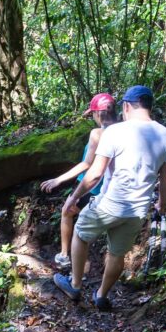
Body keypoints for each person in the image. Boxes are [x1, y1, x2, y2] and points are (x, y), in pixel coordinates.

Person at [53, 85, 166, 311]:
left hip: (109, 204)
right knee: (117, 252)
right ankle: (101, 295)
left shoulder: (115, 132)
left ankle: (75, 285)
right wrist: (162, 204)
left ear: (127, 106)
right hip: (138, 210)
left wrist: (73, 198)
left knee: (80, 234)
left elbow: (95, 174)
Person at [40, 93, 118, 269]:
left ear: (98, 114)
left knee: (67, 212)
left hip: (91, 186)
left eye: (92, 114)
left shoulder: (98, 133)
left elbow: (86, 164)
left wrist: (58, 180)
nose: (93, 118)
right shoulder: (124, 130)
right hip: (111, 187)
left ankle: (65, 255)